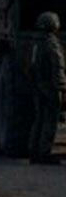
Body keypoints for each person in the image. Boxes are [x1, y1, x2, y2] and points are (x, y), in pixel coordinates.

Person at [28, 11, 66, 164]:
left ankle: (34, 151)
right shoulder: (52, 44)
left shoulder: (36, 44)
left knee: (39, 119)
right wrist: (62, 88)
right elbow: (58, 68)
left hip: (39, 86)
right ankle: (44, 152)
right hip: (51, 88)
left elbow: (31, 67)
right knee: (50, 120)